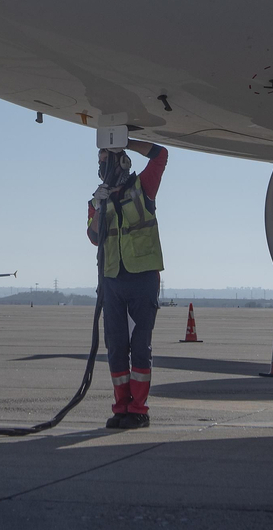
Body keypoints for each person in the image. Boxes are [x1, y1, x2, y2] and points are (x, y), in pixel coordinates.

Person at [86, 138, 167, 429]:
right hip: (111, 281)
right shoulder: (97, 199)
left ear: (119, 162)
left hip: (141, 278)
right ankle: (121, 407)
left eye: (105, 160)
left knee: (140, 347)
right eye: (99, 162)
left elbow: (161, 156)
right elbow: (94, 237)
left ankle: (139, 409)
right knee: (116, 347)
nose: (100, 167)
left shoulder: (142, 188)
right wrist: (98, 204)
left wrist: (127, 143)